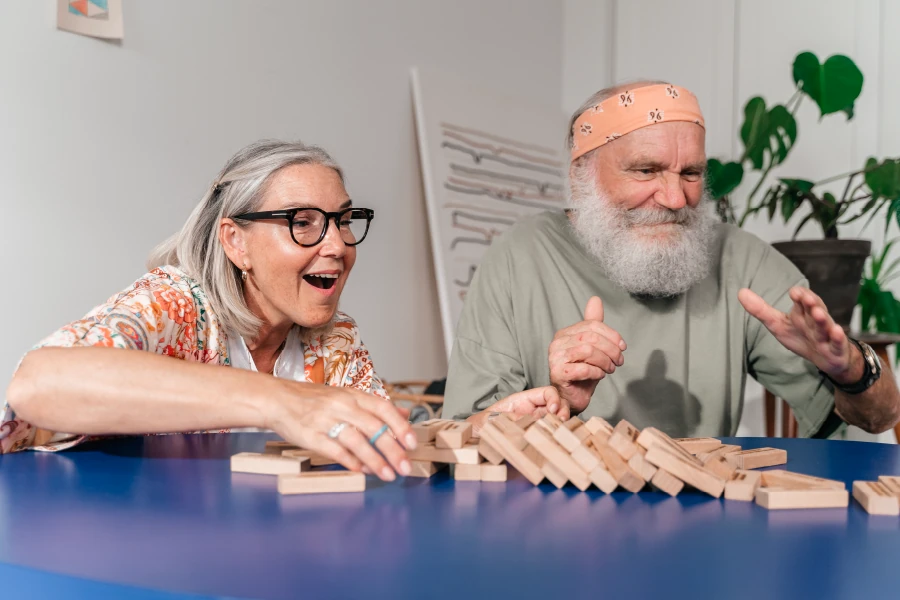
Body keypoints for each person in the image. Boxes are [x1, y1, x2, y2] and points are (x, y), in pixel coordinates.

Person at [445, 81, 900, 438]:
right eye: (645, 170)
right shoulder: (518, 257)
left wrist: (853, 371)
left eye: (691, 174)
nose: (674, 198)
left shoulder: (742, 259)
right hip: (558, 532)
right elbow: (462, 440)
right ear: (581, 173)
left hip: (705, 525)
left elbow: (879, 419)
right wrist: (556, 401)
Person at [3, 140, 417, 481]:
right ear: (236, 242)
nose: (338, 246)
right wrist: (282, 401)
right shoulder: (177, 304)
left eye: (343, 220)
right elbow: (38, 383)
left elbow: (382, 447)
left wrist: (465, 430)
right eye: (302, 222)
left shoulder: (336, 340)